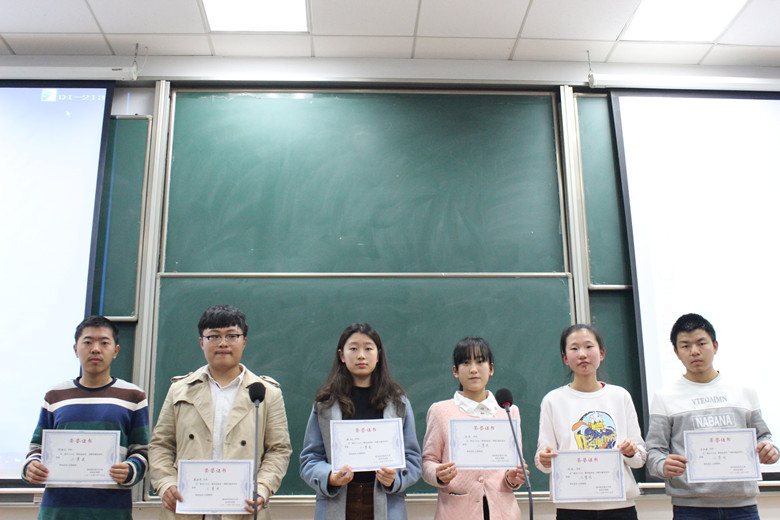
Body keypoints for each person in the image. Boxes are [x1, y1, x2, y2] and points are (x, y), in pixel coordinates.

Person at [149, 304, 292, 520]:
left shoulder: (266, 393)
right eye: (214, 336)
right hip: (186, 508)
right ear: (202, 342)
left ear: (244, 341)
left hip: (243, 509)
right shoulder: (180, 390)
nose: (223, 343)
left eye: (232, 336)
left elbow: (278, 450)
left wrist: (262, 488)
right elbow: (161, 445)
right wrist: (166, 483)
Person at [645, 313, 779, 520]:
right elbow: (654, 451)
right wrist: (663, 465)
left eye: (701, 343)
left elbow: (764, 437)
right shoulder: (665, 397)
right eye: (685, 346)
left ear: (715, 346)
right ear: (676, 352)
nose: (694, 351)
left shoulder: (744, 391)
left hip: (743, 507)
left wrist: (770, 450)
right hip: (690, 509)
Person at [21, 315, 150, 520]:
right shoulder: (55, 395)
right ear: (75, 349)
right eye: (88, 342)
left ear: (116, 351)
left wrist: (130, 469)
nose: (95, 349)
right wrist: (31, 466)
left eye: (104, 343)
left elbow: (142, 451)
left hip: (111, 513)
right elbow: (37, 448)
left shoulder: (133, 396)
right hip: (57, 512)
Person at [300, 322, 422, 520]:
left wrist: (395, 478)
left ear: (379, 355)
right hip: (338, 503)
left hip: (385, 504)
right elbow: (310, 458)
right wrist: (329, 476)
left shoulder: (398, 403)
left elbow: (413, 459)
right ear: (342, 355)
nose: (361, 356)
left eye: (368, 348)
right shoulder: (325, 404)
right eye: (354, 349)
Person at [535, 324, 646, 520]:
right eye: (574, 348)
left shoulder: (620, 396)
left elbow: (639, 459)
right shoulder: (553, 400)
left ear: (601, 353)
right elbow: (543, 460)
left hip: (619, 506)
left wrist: (631, 451)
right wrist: (544, 459)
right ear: (565, 358)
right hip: (572, 507)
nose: (582, 354)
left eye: (588, 347)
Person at [422, 337, 525, 520]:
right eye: (466, 363)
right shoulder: (440, 411)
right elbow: (428, 461)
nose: (473, 369)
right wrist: (437, 473)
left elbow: (515, 464)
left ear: (491, 369)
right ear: (455, 371)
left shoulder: (508, 411)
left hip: (503, 512)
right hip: (456, 512)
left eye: (480, 362)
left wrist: (513, 477)